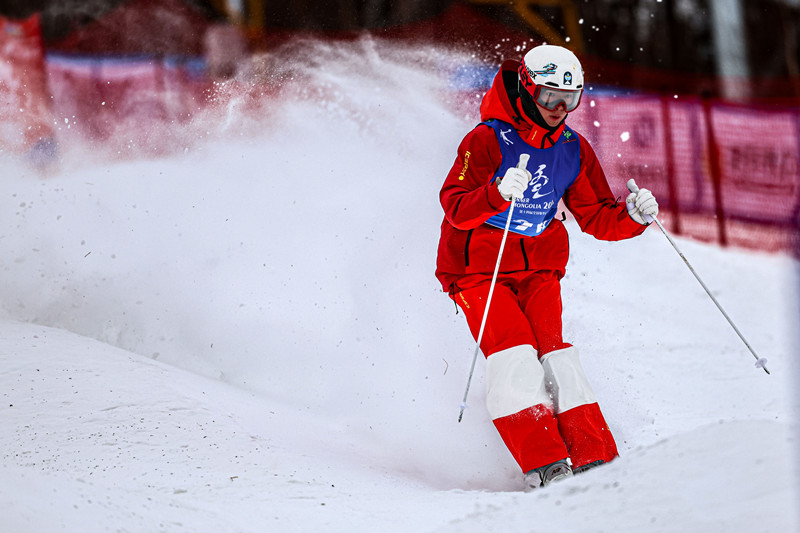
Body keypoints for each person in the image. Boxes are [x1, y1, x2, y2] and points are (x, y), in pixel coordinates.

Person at [435, 44, 659, 490]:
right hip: (478, 270)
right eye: (549, 96)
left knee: (555, 352)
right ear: (527, 89)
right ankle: (546, 463)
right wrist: (497, 193)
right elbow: (455, 205)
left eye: (569, 99)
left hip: (538, 267)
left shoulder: (573, 148)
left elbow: (596, 215)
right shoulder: (486, 139)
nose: (559, 109)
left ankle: (593, 455)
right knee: (514, 353)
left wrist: (632, 217)